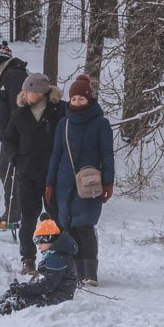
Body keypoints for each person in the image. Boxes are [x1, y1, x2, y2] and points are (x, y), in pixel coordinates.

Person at [46, 74, 114, 286]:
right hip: (64, 183)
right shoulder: (64, 123)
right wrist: (50, 183)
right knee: (69, 228)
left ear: (89, 99)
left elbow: (107, 155)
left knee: (85, 226)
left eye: (81, 98)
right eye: (73, 98)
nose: (76, 102)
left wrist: (108, 182)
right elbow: (56, 154)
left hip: (89, 184)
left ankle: (89, 273)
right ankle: (75, 271)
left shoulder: (101, 124)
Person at [0, 217, 78, 327]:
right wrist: (22, 288)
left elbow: (47, 286)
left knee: (17, 301)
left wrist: (25, 289)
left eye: (39, 242)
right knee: (12, 292)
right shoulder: (54, 253)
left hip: (57, 298)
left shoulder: (58, 258)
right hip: (51, 293)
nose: (38, 246)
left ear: (48, 239)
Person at [2, 73, 64, 275]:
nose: (25, 95)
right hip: (27, 174)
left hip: (52, 175)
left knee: (56, 218)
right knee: (28, 219)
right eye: (25, 91)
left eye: (29, 91)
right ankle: (28, 258)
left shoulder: (59, 110)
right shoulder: (20, 114)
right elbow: (9, 140)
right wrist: (16, 158)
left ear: (40, 92)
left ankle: (58, 256)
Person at [0, 41, 29, 223]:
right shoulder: (6, 76)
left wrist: (14, 134)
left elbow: (17, 108)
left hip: (14, 136)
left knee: (7, 171)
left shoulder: (13, 76)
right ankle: (14, 211)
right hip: (8, 135)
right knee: (5, 171)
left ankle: (13, 212)